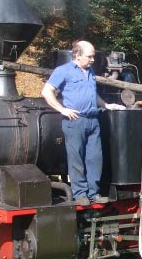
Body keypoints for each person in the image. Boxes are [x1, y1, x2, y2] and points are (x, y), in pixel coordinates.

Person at [42, 40, 125, 206]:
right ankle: (80, 194)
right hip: (75, 120)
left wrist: (106, 105)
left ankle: (93, 193)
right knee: (76, 158)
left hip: (93, 120)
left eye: (93, 56)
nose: (93, 59)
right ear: (77, 55)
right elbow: (46, 91)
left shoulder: (90, 72)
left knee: (95, 158)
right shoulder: (63, 71)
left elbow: (93, 95)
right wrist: (63, 110)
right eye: (90, 56)